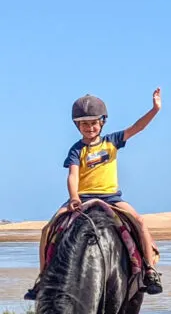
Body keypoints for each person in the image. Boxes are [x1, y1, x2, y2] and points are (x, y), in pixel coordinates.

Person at [25, 90, 163, 300]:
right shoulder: (76, 150)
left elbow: (138, 127)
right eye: (84, 124)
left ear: (102, 123)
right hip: (82, 198)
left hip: (111, 198)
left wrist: (154, 109)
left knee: (140, 222)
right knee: (47, 229)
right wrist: (74, 198)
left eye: (93, 123)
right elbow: (72, 176)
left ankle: (150, 271)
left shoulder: (113, 141)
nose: (90, 128)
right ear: (77, 126)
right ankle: (43, 278)